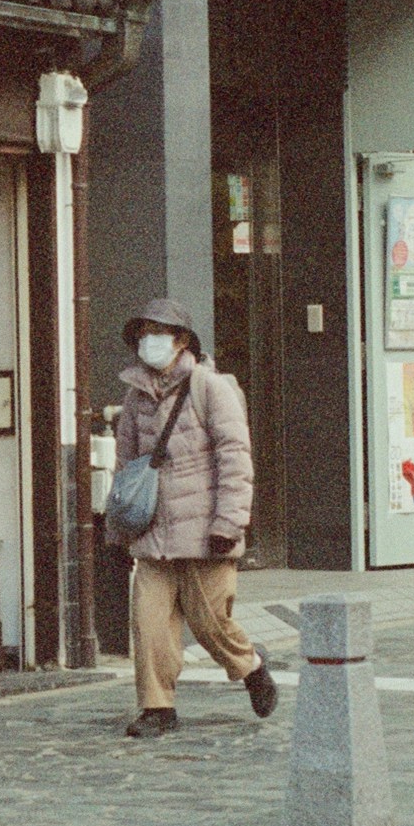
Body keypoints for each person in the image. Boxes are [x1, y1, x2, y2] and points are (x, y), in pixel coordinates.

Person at [112, 297, 274, 740]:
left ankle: (250, 666)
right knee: (149, 624)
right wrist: (120, 524)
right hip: (152, 532)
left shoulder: (210, 387)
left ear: (181, 339)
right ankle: (157, 707)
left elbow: (235, 457)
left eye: (157, 332)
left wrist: (230, 523)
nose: (149, 341)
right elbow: (127, 464)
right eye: (143, 333)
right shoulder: (135, 395)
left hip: (205, 531)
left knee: (210, 624)